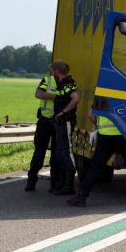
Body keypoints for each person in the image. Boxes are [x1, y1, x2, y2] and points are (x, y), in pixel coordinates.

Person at [67, 110, 126, 207]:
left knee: (96, 167)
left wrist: (97, 124)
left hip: (105, 135)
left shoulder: (103, 95)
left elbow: (90, 115)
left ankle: (81, 196)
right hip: (125, 134)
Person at [25, 67, 59, 192]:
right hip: (45, 120)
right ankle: (31, 181)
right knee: (39, 153)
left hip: (58, 122)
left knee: (56, 155)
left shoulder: (67, 83)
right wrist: (55, 97)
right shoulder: (47, 80)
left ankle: (55, 185)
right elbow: (38, 93)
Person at [51, 60, 79, 195]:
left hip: (66, 121)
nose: (52, 73)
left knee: (67, 152)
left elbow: (75, 99)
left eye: (53, 70)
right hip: (61, 122)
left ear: (57, 71)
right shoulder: (62, 84)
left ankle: (69, 185)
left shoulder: (68, 84)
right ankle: (62, 183)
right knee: (60, 152)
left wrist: (63, 112)